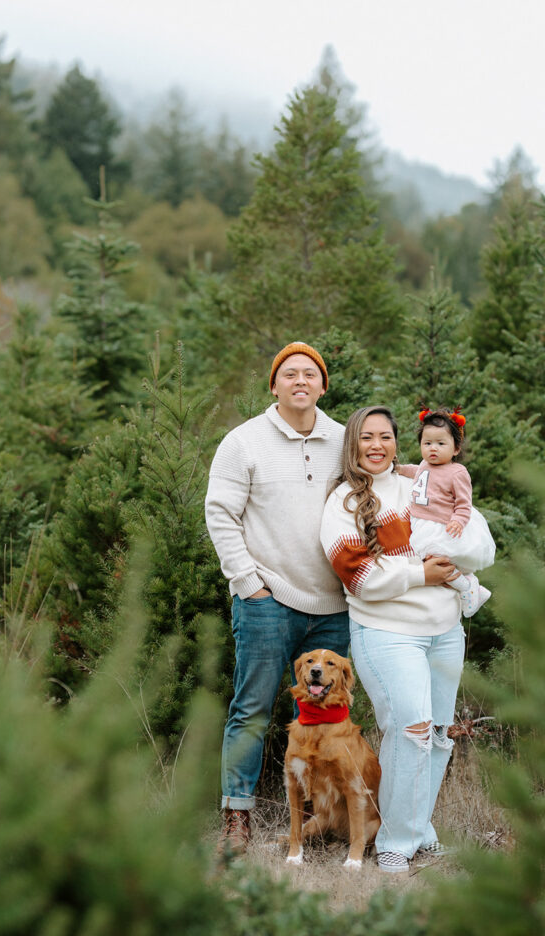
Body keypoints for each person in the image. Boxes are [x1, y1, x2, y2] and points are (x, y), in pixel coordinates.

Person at [205, 342, 349, 851]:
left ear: (323, 385)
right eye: (289, 374)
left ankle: (324, 816)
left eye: (311, 374)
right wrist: (249, 584)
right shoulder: (243, 442)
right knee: (253, 708)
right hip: (268, 599)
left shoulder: (343, 440)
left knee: (330, 714)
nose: (300, 381)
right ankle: (237, 816)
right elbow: (220, 513)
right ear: (274, 385)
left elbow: (381, 485)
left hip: (335, 607)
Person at [320, 405, 467, 873]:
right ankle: (393, 842)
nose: (377, 445)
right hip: (386, 632)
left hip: (445, 630)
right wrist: (420, 574)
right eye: (367, 437)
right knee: (411, 729)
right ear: (353, 444)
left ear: (397, 442)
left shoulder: (418, 485)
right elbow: (357, 575)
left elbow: (459, 536)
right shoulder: (343, 502)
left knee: (438, 734)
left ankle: (420, 831)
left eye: (385, 436)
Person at [397, 407, 495, 617]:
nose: (433, 449)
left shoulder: (456, 472)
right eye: (427, 443)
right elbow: (418, 472)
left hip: (442, 525)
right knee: (429, 562)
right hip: (423, 522)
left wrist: (458, 521)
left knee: (437, 560)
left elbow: (463, 503)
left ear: (456, 448)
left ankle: (467, 585)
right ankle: (471, 587)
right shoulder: (425, 464)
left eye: (441, 444)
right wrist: (401, 469)